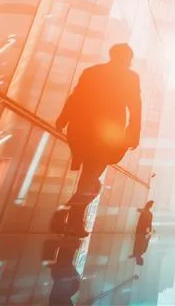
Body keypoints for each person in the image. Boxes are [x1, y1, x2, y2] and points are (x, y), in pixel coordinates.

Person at [52, 43, 142, 237]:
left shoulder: (92, 72)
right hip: (104, 134)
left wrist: (63, 118)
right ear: (125, 58)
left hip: (83, 130)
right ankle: (69, 217)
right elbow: (135, 106)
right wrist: (133, 133)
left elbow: (76, 97)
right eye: (129, 58)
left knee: (90, 178)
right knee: (91, 179)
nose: (130, 62)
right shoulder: (130, 77)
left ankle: (68, 217)